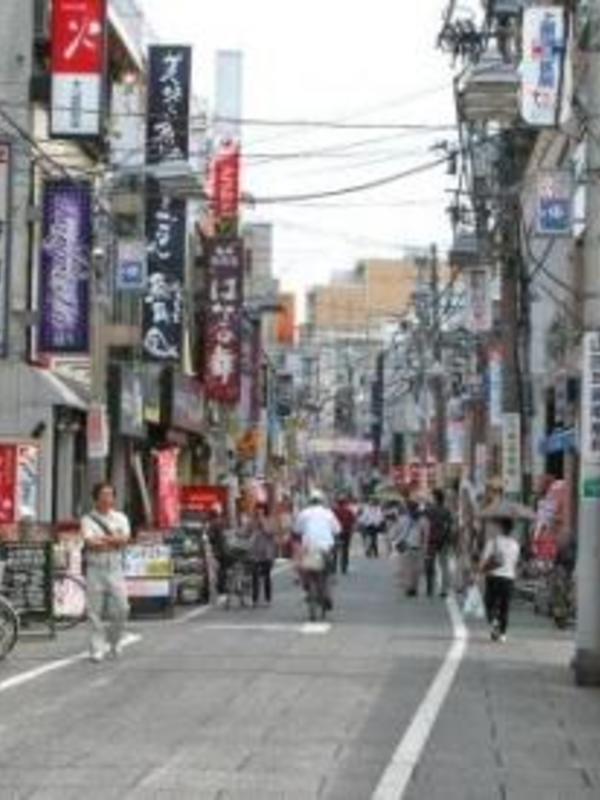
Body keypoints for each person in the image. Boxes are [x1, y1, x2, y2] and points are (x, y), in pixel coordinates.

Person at [81, 482, 131, 663]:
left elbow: (125, 539)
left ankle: (114, 640)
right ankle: (96, 648)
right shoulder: (88, 519)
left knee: (122, 608)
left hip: (115, 568)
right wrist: (113, 540)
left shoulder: (121, 518)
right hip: (95, 568)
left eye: (110, 494)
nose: (107, 498)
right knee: (94, 611)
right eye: (103, 494)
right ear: (96, 498)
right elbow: (91, 543)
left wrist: (105, 540)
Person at [293, 490, 341, 608]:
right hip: (325, 547)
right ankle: (327, 594)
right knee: (327, 572)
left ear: (310, 501)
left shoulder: (304, 513)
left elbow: (296, 530)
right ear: (322, 501)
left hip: (309, 547)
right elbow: (337, 529)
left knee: (303, 568)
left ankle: (307, 588)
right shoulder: (328, 513)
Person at [481, 515, 520, 643]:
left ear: (501, 528)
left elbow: (484, 559)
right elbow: (514, 562)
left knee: (489, 603)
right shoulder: (515, 545)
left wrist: (479, 571)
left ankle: (494, 621)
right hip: (509, 578)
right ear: (511, 530)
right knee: (505, 606)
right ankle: (503, 633)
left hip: (493, 577)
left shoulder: (493, 542)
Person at [394, 499, 429, 597]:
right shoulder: (423, 520)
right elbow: (426, 534)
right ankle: (414, 587)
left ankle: (409, 588)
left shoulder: (402, 519)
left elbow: (397, 531)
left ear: (407, 509)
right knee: (416, 569)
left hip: (406, 546)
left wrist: (397, 540)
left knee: (407, 569)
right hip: (418, 546)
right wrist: (425, 547)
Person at [425, 489, 455, 598]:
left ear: (435, 498)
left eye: (432, 496)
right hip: (444, 540)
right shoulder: (446, 511)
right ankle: (444, 590)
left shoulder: (429, 510)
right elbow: (450, 526)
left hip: (431, 541)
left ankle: (430, 588)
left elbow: (425, 526)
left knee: (430, 564)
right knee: (444, 565)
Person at [247, 504, 277, 606]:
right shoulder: (252, 521)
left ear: (265, 511)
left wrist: (262, 521)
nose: (259, 512)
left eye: (261, 510)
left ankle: (267, 598)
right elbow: (246, 532)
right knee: (254, 576)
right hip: (255, 552)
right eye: (257, 510)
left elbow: (270, 532)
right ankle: (255, 599)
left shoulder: (270, 520)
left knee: (266, 576)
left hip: (267, 553)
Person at [333, 495, 356, 575]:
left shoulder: (334, 511)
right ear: (344, 503)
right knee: (345, 550)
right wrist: (352, 531)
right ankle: (344, 567)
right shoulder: (349, 511)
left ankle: (333, 566)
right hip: (346, 532)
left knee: (335, 550)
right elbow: (353, 521)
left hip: (336, 533)